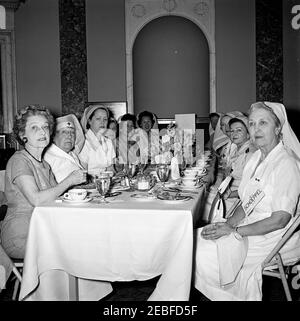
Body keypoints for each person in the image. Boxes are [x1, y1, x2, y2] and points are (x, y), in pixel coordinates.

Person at [194, 102, 300, 301]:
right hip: (248, 226)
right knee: (193, 241)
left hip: (272, 236)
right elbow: (246, 202)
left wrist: (235, 232)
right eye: (252, 123)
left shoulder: (287, 164)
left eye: (263, 123)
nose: (256, 129)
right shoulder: (256, 158)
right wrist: (228, 224)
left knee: (198, 254)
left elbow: (280, 220)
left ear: (278, 128)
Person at [0, 105, 86, 259]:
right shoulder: (19, 160)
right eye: (34, 128)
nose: (42, 132)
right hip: (22, 234)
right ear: (22, 134)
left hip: (44, 228)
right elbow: (37, 200)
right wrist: (69, 181)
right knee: (76, 249)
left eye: (45, 127)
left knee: (84, 238)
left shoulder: (45, 164)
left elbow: (56, 199)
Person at [44, 114, 85, 183]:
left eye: (72, 133)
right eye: (64, 132)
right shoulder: (48, 157)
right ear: (54, 137)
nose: (69, 136)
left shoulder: (72, 154)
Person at [79, 105, 116, 175]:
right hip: (90, 184)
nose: (102, 122)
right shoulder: (84, 142)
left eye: (105, 119)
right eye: (98, 119)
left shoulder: (108, 142)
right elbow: (83, 173)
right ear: (89, 121)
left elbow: (111, 169)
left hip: (106, 182)